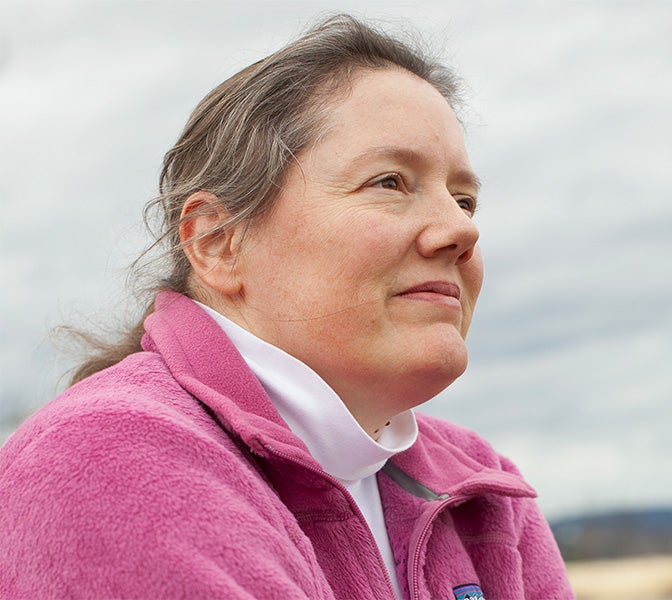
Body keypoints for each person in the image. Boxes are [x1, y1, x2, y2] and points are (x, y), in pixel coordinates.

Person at [0, 14, 573, 600]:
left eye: (465, 199)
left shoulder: (481, 488)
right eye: (390, 183)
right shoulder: (108, 461)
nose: (459, 229)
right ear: (217, 243)